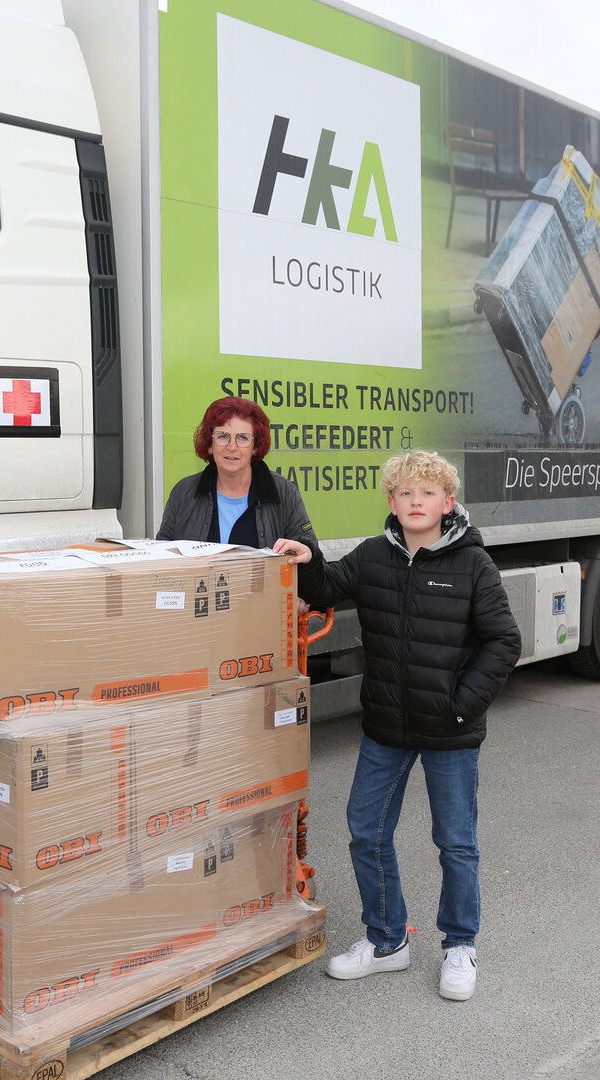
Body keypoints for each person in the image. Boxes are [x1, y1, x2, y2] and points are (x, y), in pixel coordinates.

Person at [274, 451, 520, 1001]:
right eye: (405, 493)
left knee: (455, 843)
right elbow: (326, 587)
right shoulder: (373, 557)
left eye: (427, 493)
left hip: (449, 731)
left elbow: (505, 641)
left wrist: (462, 706)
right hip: (386, 727)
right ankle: (387, 941)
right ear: (392, 502)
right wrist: (304, 555)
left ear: (447, 502)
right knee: (367, 831)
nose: (415, 502)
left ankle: (460, 944)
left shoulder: (472, 565)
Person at [156, 395, 319, 557]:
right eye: (222, 436)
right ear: (210, 444)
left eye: (242, 438)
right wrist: (146, 552)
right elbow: (163, 558)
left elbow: (312, 564)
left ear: (255, 447)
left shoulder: (283, 492)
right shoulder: (183, 492)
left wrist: (307, 556)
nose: (232, 447)